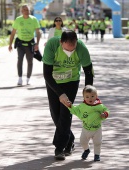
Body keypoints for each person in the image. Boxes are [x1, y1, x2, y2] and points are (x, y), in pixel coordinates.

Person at [42, 30, 94, 160]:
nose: (70, 53)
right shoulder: (52, 45)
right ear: (61, 42)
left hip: (71, 82)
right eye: (67, 49)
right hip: (53, 82)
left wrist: (88, 95)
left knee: (65, 113)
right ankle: (69, 139)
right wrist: (60, 93)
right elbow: (47, 74)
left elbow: (88, 72)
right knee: (55, 114)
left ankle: (59, 148)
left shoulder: (81, 48)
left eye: (73, 49)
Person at [67, 85, 109, 161]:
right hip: (86, 129)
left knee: (97, 143)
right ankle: (86, 150)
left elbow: (106, 110)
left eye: (92, 96)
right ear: (83, 97)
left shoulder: (99, 106)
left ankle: (97, 155)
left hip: (97, 129)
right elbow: (75, 110)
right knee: (82, 141)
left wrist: (104, 114)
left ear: (96, 96)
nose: (90, 98)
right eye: (87, 97)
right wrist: (70, 106)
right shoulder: (82, 106)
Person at [8, 4, 41, 86]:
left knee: (30, 61)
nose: (27, 11)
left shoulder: (34, 19)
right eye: (25, 10)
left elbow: (38, 32)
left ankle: (28, 78)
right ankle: (20, 78)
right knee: (20, 60)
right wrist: (10, 44)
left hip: (30, 44)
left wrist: (37, 43)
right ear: (21, 11)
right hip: (20, 44)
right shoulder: (18, 20)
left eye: (28, 10)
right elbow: (13, 33)